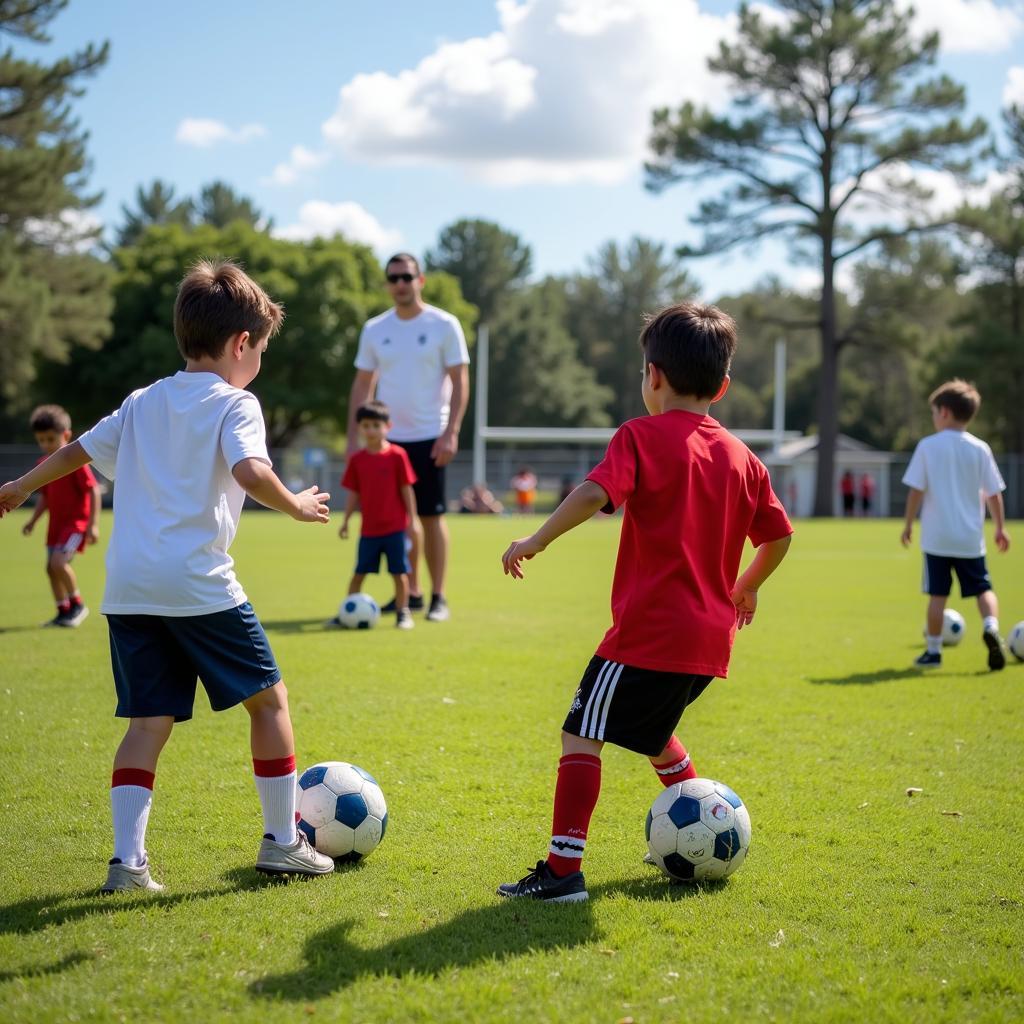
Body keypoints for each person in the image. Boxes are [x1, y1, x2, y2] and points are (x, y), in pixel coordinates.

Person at [0, 259, 336, 891]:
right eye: (261, 349)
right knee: (270, 702)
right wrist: (296, 504)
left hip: (127, 588)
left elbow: (75, 452)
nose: (258, 360)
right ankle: (283, 843)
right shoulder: (237, 403)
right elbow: (249, 471)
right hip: (197, 584)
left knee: (147, 723)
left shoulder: (142, 400)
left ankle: (127, 864)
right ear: (242, 344)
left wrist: (20, 485)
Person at [496, 302, 793, 902]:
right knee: (652, 732)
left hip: (649, 632)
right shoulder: (743, 457)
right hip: (711, 640)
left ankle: (561, 873)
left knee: (582, 733)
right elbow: (780, 535)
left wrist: (536, 538)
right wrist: (749, 584)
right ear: (724, 385)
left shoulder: (639, 435)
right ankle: (701, 827)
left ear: (652, 375)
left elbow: (594, 492)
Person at [347, 253, 470, 623]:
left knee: (431, 517)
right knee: (396, 522)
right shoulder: (375, 329)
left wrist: (452, 432)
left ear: (421, 280)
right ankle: (410, 594)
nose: (400, 283)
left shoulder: (444, 324)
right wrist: (354, 437)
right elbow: (363, 384)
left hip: (430, 436)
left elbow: (460, 379)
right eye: (393, 277)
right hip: (387, 442)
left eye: (406, 276)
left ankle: (439, 597)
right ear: (387, 284)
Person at [901, 379, 1010, 671]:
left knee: (938, 595)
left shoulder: (928, 446)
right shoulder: (980, 448)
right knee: (983, 589)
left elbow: (916, 490)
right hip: (970, 538)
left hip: (937, 538)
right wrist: (1000, 528)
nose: (934, 418)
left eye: (934, 412)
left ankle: (934, 652)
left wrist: (908, 524)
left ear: (945, 412)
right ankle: (990, 626)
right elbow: (993, 494)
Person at [332, 400, 417, 630]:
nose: (371, 430)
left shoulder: (398, 455)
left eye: (376, 425)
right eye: (366, 425)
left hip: (395, 529)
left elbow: (406, 489)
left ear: (387, 426)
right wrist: (346, 521)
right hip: (369, 531)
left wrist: (413, 520)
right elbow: (353, 493)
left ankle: (403, 613)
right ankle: (345, 613)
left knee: (400, 574)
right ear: (360, 428)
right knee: (359, 573)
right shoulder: (357, 460)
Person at [22, 404, 102, 627]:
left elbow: (93, 489)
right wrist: (33, 521)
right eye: (41, 440)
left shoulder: (74, 463)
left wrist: (92, 525)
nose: (46, 444)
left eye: (50, 439)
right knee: (50, 568)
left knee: (58, 563)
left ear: (66, 435)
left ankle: (78, 605)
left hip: (74, 526)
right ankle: (63, 610)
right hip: (55, 527)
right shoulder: (43, 466)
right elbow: (45, 498)